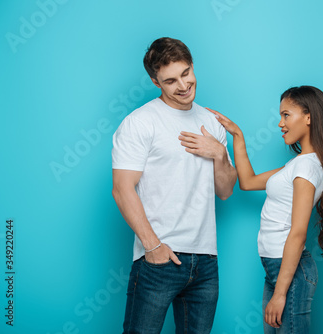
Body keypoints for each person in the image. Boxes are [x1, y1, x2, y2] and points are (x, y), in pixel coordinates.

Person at [111, 37, 237, 334]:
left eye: (185, 73)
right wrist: (152, 247)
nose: (182, 85)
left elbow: (226, 190)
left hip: (206, 261)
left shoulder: (212, 121)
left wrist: (219, 153)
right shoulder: (140, 122)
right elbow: (122, 188)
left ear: (192, 66)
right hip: (159, 259)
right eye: (170, 81)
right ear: (156, 82)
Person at [208, 85, 323, 333]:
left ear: (309, 117)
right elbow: (248, 182)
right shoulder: (298, 164)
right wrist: (237, 136)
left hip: (289, 274)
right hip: (277, 270)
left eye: (286, 115)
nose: (280, 123)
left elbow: (298, 232)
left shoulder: (306, 169)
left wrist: (280, 294)